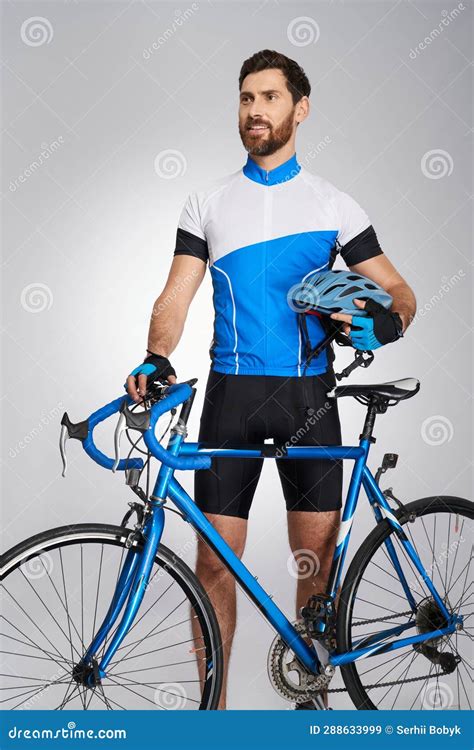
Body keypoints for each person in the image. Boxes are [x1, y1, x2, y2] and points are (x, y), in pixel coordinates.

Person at [126, 49, 416, 709]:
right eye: (246, 98)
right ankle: (217, 719)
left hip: (310, 401)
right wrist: (157, 355)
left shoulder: (334, 205)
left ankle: (310, 710)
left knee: (315, 573)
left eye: (269, 98)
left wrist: (391, 325)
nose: (255, 111)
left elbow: (399, 291)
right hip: (230, 397)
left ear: (299, 109)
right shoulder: (207, 202)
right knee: (212, 570)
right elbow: (174, 297)